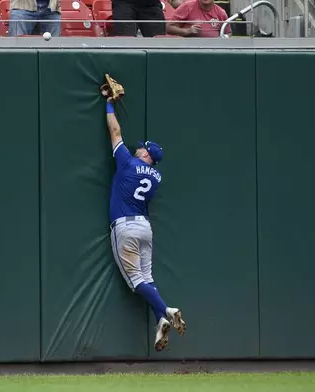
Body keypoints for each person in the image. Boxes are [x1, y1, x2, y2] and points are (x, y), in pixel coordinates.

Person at [103, 91, 186, 352]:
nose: (138, 147)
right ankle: (160, 320)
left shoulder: (127, 162)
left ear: (147, 155)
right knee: (147, 278)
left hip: (125, 227)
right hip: (144, 228)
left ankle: (166, 309)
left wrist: (108, 103)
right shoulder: (156, 178)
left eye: (143, 147)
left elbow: (115, 133)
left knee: (137, 282)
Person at [167, 0, 231, 38]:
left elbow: (228, 33)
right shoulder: (187, 6)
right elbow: (168, 28)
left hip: (213, 51)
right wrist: (187, 31)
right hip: (190, 50)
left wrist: (220, 40)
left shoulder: (221, 12)